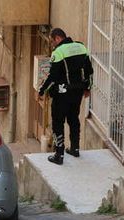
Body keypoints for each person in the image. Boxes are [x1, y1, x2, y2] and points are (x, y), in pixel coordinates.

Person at [37, 28, 94, 165]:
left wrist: (41, 91)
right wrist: (88, 88)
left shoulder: (58, 52)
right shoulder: (81, 47)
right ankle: (75, 148)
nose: (52, 45)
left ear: (57, 38)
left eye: (52, 41)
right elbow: (89, 71)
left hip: (62, 93)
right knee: (74, 119)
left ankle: (59, 154)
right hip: (77, 92)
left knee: (58, 122)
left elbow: (53, 77)